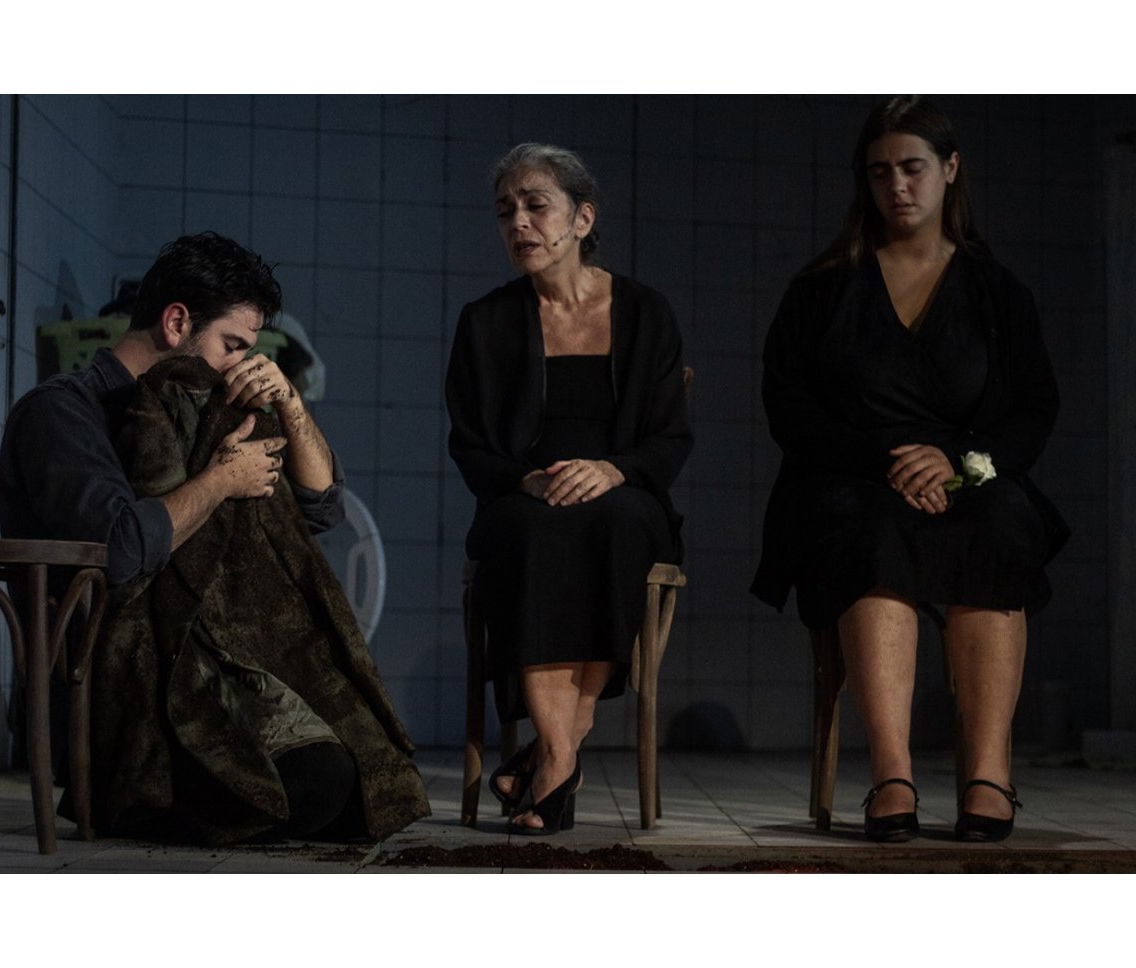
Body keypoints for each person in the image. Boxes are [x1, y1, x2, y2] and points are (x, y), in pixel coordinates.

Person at [0, 232, 429, 844]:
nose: (240, 365)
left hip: (209, 663)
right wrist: (223, 480)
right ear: (176, 322)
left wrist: (290, 403)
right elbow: (121, 549)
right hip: (119, 685)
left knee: (350, 777)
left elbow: (321, 507)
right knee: (311, 788)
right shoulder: (63, 413)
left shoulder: (200, 413)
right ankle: (139, 801)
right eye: (233, 345)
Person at [751, 98, 1069, 843]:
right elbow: (787, 408)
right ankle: (891, 773)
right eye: (880, 171)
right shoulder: (822, 288)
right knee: (867, 530)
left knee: (999, 525)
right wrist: (885, 461)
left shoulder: (997, 291)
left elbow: (1034, 411)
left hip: (969, 479)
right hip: (851, 478)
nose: (897, 185)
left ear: (950, 171)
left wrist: (960, 465)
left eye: (913, 168)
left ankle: (988, 774)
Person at [445, 144, 692, 834]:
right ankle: (558, 758)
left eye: (535, 205)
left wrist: (613, 469)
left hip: (626, 492)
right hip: (521, 497)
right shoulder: (486, 321)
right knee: (533, 527)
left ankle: (550, 759)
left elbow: (670, 438)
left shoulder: (646, 314)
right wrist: (524, 477)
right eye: (506, 211)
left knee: (613, 522)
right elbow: (469, 444)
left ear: (582, 218)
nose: (518, 222)